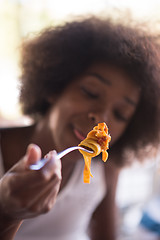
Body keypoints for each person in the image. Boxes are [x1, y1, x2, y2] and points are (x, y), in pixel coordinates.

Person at [0, 15, 160, 240]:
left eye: (120, 114)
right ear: (55, 87)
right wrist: (7, 214)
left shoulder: (105, 167)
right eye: (90, 92)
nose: (102, 119)